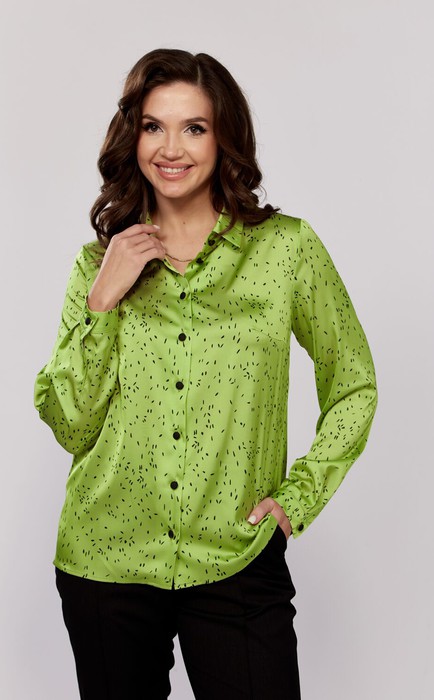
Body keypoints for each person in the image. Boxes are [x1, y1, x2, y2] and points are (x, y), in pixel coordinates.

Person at [34, 48, 377, 700]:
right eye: (153, 126)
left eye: (194, 127)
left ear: (225, 138)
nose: (172, 148)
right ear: (132, 137)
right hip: (106, 561)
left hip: (235, 557)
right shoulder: (97, 265)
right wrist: (103, 301)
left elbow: (353, 381)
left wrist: (297, 499)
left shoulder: (286, 250)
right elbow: (71, 426)